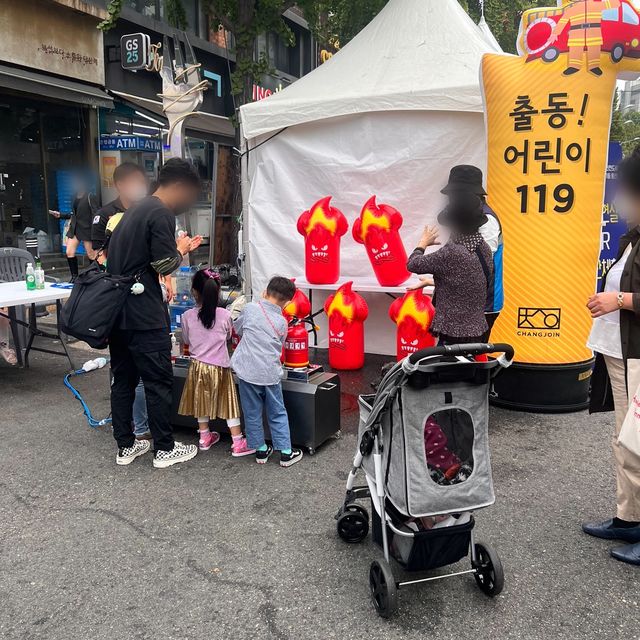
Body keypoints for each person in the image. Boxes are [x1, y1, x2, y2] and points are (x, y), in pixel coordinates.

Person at [107, 158, 203, 469]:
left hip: (117, 312)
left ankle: (126, 445)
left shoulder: (134, 210)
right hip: (143, 314)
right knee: (157, 380)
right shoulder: (159, 213)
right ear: (179, 187)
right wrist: (182, 249)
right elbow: (164, 264)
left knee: (122, 379)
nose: (188, 203)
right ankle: (164, 448)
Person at [586, 147, 640, 566]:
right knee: (626, 443)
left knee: (638, 444)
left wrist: (618, 299)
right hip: (617, 353)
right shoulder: (632, 238)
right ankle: (628, 517)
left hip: (635, 354)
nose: (621, 201)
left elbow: (626, 296)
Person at [178, 268, 255, 456]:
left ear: (194, 292)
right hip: (220, 366)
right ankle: (238, 442)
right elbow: (229, 336)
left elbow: (186, 340)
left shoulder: (187, 316)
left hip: (197, 367)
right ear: (218, 290)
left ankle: (204, 438)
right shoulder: (225, 315)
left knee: (201, 401)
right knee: (229, 404)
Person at [231, 277, 303, 467]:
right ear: (287, 302)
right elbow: (279, 345)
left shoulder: (250, 309)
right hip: (269, 374)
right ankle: (286, 452)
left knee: (251, 411)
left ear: (265, 292)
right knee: (277, 411)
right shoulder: (281, 322)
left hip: (247, 371)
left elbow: (238, 329)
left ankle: (260, 450)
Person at [406, 189, 493, 345]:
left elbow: (413, 264)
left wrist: (423, 243)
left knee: (449, 369)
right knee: (468, 369)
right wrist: (432, 282)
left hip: (453, 334)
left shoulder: (452, 252)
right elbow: (470, 282)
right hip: (477, 329)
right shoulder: (483, 248)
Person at [439, 166, 504, 337]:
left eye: (454, 195)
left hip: (482, 304)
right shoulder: (465, 216)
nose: (450, 200)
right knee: (456, 357)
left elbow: (479, 264)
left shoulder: (487, 220)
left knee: (467, 357)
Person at [92, 162, 148, 256]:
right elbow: (99, 253)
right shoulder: (104, 215)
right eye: (134, 182)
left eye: (141, 183)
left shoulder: (149, 212)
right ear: (120, 185)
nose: (140, 187)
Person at [48, 176, 98, 280]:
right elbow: (74, 214)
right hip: (75, 228)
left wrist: (95, 230)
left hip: (87, 229)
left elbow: (96, 213)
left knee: (91, 254)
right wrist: (60, 215)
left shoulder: (90, 196)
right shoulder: (74, 197)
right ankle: (74, 277)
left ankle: (94, 276)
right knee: (69, 252)